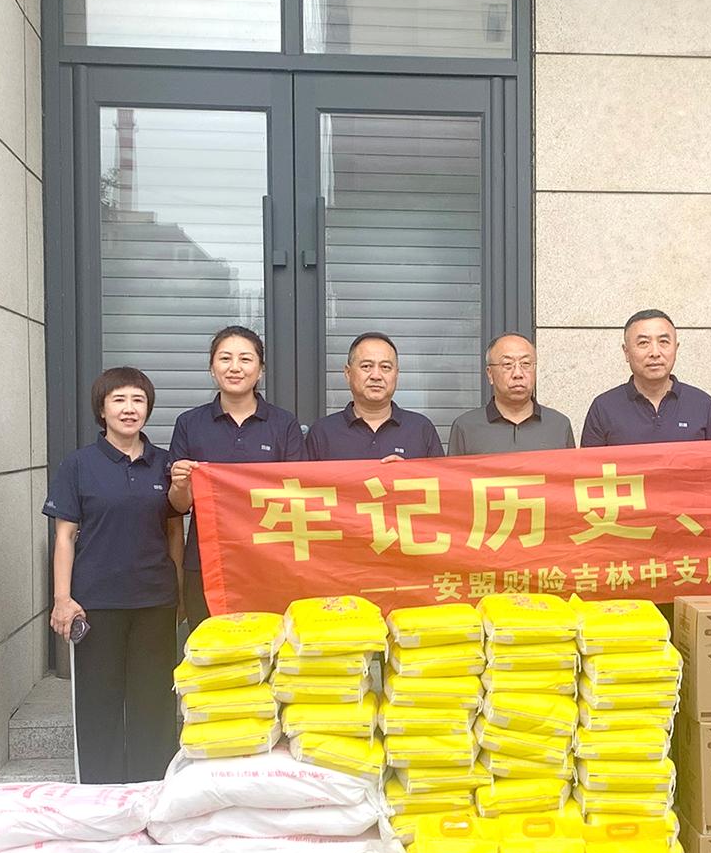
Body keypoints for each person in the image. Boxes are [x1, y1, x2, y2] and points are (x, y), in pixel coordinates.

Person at [43, 367, 183, 784]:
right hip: (96, 602)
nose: (129, 409)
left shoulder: (164, 464)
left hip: (154, 601)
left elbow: (174, 531)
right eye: (119, 400)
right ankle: (99, 796)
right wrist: (62, 598)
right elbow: (64, 536)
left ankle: (151, 790)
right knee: (99, 704)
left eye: (138, 400)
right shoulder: (79, 465)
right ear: (102, 410)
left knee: (153, 704)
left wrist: (177, 589)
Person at [166, 326, 306, 631]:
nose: (235, 367)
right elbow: (179, 505)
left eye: (245, 359)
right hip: (207, 562)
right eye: (225, 358)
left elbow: (299, 496)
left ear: (260, 370)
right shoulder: (189, 423)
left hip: (270, 561)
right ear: (212, 368)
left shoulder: (284, 424)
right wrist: (179, 484)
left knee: (270, 647)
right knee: (213, 648)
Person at [580, 309, 711, 445]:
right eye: (643, 343)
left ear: (676, 349)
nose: (655, 353)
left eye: (664, 342)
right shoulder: (603, 408)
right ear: (626, 352)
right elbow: (590, 463)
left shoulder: (702, 404)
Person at [306, 332, 446, 462]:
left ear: (396, 374)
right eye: (367, 366)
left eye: (385, 367)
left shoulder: (421, 429)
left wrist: (407, 472)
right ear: (348, 373)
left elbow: (441, 478)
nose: (376, 376)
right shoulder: (322, 432)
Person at [449, 333, 575, 454]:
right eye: (507, 364)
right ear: (490, 374)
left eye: (526, 364)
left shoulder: (559, 425)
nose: (518, 374)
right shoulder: (466, 427)